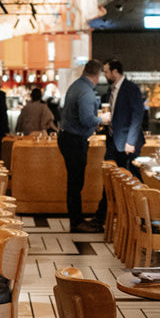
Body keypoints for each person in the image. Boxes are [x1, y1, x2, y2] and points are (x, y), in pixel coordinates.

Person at [58, 59, 110, 233]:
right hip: (74, 140)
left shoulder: (76, 86)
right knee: (76, 182)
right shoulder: (86, 92)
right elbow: (87, 119)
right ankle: (76, 222)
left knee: (74, 181)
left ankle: (76, 219)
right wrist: (103, 119)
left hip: (67, 137)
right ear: (98, 74)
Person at [102, 59, 146, 172]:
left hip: (127, 142)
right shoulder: (110, 90)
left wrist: (130, 142)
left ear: (115, 72)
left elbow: (137, 116)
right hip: (112, 141)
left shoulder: (131, 88)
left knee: (131, 175)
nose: (104, 75)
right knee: (112, 174)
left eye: (106, 72)